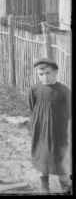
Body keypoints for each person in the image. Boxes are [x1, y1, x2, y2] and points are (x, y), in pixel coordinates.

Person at [29, 58, 72, 193]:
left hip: (58, 130)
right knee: (42, 155)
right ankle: (44, 186)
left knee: (61, 155)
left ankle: (65, 184)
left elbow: (69, 111)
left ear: (56, 72)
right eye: (41, 74)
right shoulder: (35, 89)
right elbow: (32, 107)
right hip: (40, 130)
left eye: (48, 73)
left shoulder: (64, 90)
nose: (45, 77)